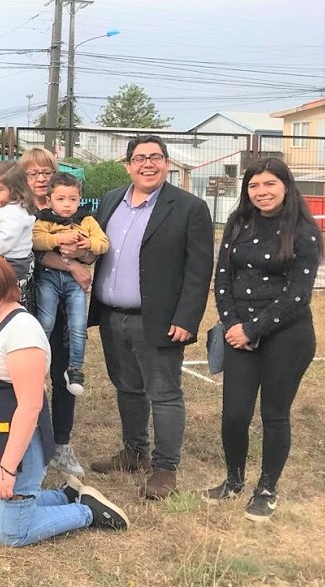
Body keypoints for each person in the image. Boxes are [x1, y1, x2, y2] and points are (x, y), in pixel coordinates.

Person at [0, 252, 130, 546]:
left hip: (13, 443)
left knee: (10, 533)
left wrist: (8, 468)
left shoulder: (22, 330)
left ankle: (86, 511)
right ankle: (65, 494)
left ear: (1, 283)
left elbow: (30, 405)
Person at [88, 134, 214, 500]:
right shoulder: (111, 201)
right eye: (140, 158)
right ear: (128, 165)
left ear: (167, 163)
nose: (148, 164)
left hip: (158, 320)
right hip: (113, 316)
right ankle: (134, 451)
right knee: (127, 388)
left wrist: (187, 318)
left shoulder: (189, 208)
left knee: (164, 394)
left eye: (155, 157)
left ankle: (165, 468)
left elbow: (198, 269)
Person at [203, 158, 322, 521]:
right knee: (234, 415)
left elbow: (297, 296)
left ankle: (267, 488)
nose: (262, 192)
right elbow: (221, 278)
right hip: (239, 333)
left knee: (274, 414)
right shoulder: (239, 223)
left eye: (270, 184)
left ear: (286, 186)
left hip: (287, 335)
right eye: (254, 185)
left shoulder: (304, 232)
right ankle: (234, 479)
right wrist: (233, 325)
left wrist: (252, 329)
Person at [19, 147, 84, 477]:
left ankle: (62, 443)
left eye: (46, 172)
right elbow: (30, 251)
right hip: (27, 304)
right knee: (26, 375)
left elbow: (90, 245)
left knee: (63, 372)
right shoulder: (18, 209)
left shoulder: (69, 207)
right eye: (33, 173)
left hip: (62, 307)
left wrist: (78, 264)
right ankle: (27, 438)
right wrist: (72, 265)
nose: (41, 178)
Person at [32, 172, 109, 397]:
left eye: (73, 199)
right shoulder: (43, 219)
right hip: (49, 276)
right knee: (45, 321)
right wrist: (58, 239)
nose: (67, 205)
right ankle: (37, 365)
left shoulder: (86, 220)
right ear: (49, 200)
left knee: (78, 324)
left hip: (75, 282)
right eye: (61, 199)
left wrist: (89, 243)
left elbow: (103, 243)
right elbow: (36, 240)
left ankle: (75, 369)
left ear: (79, 199)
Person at [0, 160, 36, 285]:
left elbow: (6, 240)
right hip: (4, 256)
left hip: (14, 261)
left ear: (14, 189)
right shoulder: (3, 207)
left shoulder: (14, 213)